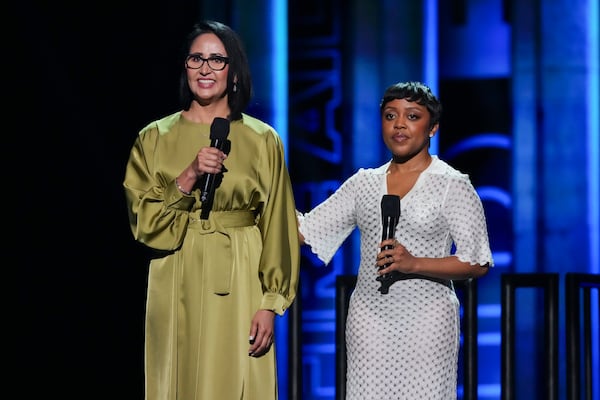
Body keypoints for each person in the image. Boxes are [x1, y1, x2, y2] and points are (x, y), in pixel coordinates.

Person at [123, 20, 300, 400]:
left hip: (241, 275)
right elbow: (144, 223)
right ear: (185, 68)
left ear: (234, 73)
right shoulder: (154, 137)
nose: (205, 68)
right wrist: (188, 175)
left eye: (217, 60)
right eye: (196, 59)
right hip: (175, 273)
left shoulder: (262, 138)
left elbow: (279, 225)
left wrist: (271, 303)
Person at [296, 81, 494, 399]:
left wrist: (413, 263)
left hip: (428, 322)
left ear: (433, 128)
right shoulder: (364, 184)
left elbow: (477, 261)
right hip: (369, 322)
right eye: (390, 116)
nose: (399, 124)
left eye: (412, 116)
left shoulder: (451, 185)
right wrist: (263, 195)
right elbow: (306, 231)